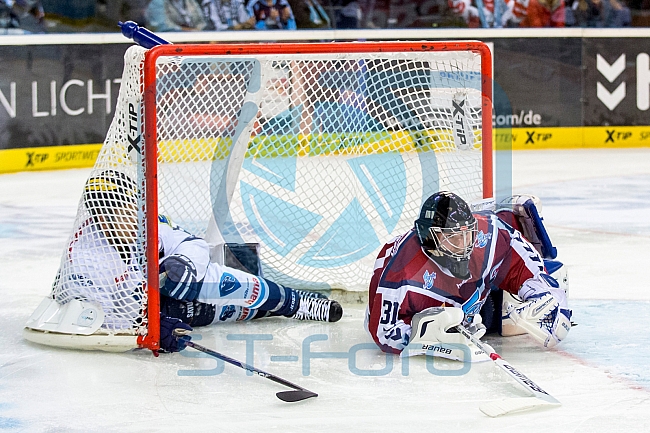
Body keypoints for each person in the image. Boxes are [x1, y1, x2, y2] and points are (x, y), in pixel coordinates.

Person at [52, 170, 342, 353]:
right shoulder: (87, 260)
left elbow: (193, 244)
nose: (132, 216)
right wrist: (152, 327)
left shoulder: (144, 221)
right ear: (101, 217)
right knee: (200, 303)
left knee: (210, 275)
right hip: (151, 307)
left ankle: (297, 302)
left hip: (162, 290)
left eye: (133, 206)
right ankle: (275, 305)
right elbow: (97, 316)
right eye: (122, 210)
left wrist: (184, 263)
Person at [365, 191, 571, 362]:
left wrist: (545, 295)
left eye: (467, 233)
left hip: (475, 297)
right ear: (430, 237)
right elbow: (383, 332)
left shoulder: (488, 233)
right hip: (449, 304)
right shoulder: (403, 272)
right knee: (491, 318)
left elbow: (525, 263)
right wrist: (423, 333)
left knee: (551, 273)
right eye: (453, 237)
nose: (464, 244)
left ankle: (504, 210)